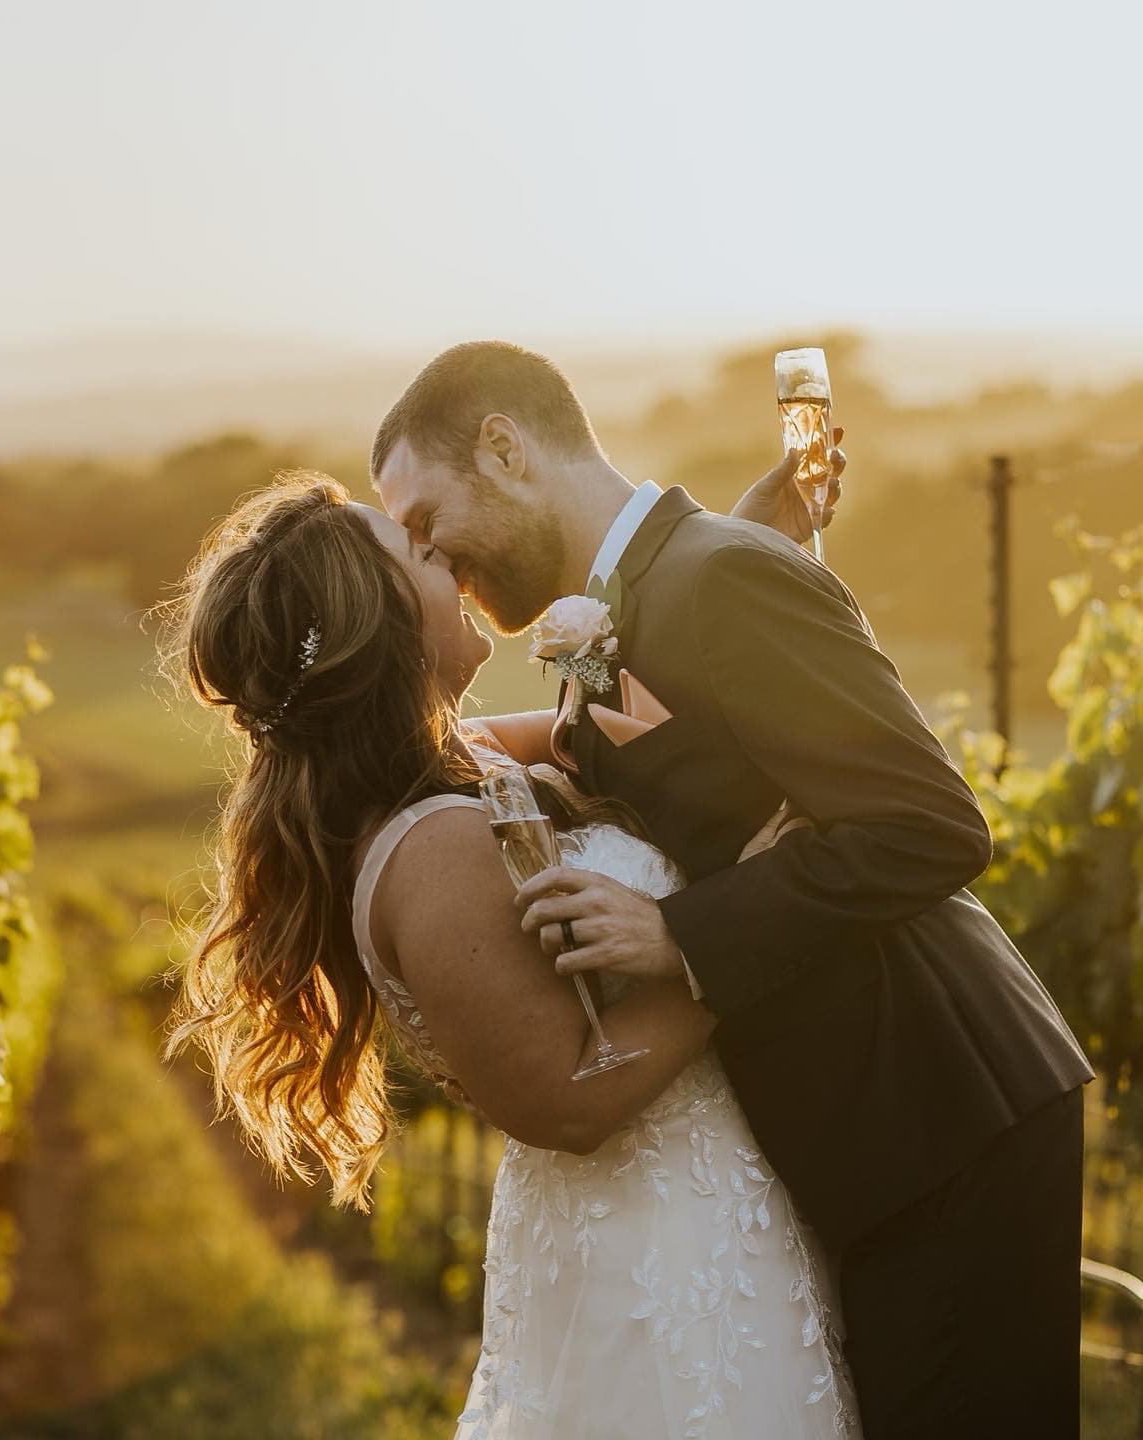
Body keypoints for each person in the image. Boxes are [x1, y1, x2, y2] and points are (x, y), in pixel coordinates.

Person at [371, 340, 1094, 1439]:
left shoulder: (715, 578)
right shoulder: (660, 592)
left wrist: (677, 933)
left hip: (948, 1111)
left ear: (506, 451)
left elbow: (933, 823)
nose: (432, 554)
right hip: (871, 1134)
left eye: (426, 520)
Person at [156, 460, 861, 1437]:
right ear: (388, 626)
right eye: (421, 555)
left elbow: (629, 735)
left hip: (704, 1216)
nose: (449, 558)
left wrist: (744, 548)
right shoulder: (431, 848)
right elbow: (571, 1102)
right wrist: (739, 919)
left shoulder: (464, 762)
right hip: (648, 1248)